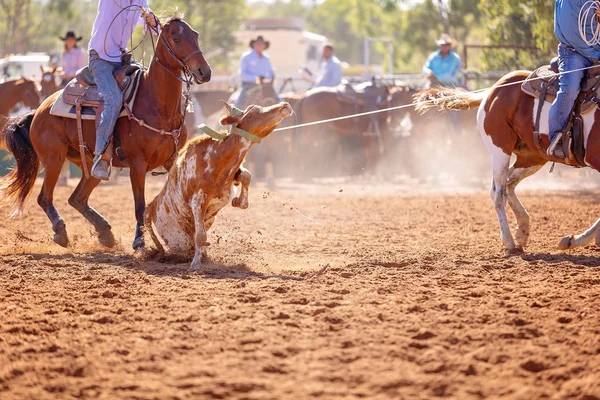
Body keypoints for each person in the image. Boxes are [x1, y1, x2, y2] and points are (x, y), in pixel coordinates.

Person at [88, 0, 157, 181]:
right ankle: (101, 155)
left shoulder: (140, 2)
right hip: (100, 59)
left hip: (120, 58)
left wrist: (153, 21)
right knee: (114, 99)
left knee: (148, 86)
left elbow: (149, 22)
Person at [548, 1, 600, 159]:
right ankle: (557, 136)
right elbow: (571, 31)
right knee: (569, 88)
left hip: (597, 49)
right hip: (573, 52)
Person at [236, 35, 275, 108]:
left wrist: (269, 79)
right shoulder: (246, 56)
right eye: (258, 43)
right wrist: (257, 78)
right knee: (240, 102)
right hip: (249, 85)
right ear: (254, 44)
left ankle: (284, 119)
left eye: (261, 44)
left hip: (265, 86)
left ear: (264, 45)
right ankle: (235, 116)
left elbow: (271, 72)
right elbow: (242, 74)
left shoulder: (267, 58)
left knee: (278, 100)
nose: (260, 45)